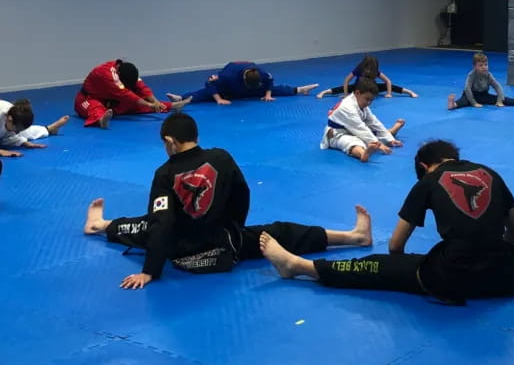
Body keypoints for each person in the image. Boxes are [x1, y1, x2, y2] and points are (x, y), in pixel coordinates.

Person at [260, 139, 514, 304]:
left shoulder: (427, 181)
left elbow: (396, 245)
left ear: (425, 166)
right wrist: (495, 255)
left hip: (449, 278)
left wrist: (401, 271)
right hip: (507, 277)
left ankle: (299, 266)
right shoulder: (490, 173)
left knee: (376, 266)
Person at [82, 111, 372, 289]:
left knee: (142, 225)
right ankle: (353, 236)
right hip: (225, 244)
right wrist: (234, 228)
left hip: (183, 251)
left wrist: (149, 272)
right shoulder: (221, 157)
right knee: (281, 232)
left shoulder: (165, 173)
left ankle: (99, 225)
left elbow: (162, 223)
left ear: (170, 142)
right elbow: (242, 195)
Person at [75, 59, 189, 128]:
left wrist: (155, 101)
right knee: (95, 107)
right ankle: (101, 120)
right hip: (87, 99)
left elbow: (141, 87)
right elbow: (126, 94)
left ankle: (172, 105)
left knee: (135, 105)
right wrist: (149, 105)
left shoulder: (127, 70)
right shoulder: (107, 74)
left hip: (112, 102)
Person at [321, 77, 405, 162]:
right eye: (367, 99)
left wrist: (390, 139)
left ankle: (390, 133)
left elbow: (373, 122)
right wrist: (378, 144)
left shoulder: (360, 102)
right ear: (357, 93)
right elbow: (360, 128)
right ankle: (363, 154)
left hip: (353, 129)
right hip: (337, 134)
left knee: (373, 133)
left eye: (371, 100)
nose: (369, 103)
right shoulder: (347, 107)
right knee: (352, 142)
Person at [181, 61, 318, 105]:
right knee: (207, 94)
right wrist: (219, 99)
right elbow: (209, 83)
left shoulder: (261, 73)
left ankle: (299, 90)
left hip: (249, 88)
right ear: (244, 79)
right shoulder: (228, 75)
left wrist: (268, 94)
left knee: (275, 89)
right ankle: (182, 98)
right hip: (230, 89)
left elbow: (270, 80)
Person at [447, 52, 514, 110]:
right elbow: (467, 89)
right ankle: (453, 104)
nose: (484, 67)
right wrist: (474, 103)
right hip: (469, 95)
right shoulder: (471, 75)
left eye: (486, 64)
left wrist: (499, 100)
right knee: (464, 102)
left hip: (483, 95)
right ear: (475, 66)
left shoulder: (488, 75)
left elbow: (497, 87)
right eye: (480, 65)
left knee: (505, 99)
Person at [316, 54, 418, 99]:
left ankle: (409, 92)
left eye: (371, 68)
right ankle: (324, 92)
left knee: (385, 86)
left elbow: (388, 81)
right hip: (358, 88)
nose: (369, 71)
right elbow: (347, 80)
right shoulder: (358, 70)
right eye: (367, 68)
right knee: (343, 88)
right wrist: (346, 94)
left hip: (372, 88)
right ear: (363, 66)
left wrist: (389, 93)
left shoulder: (375, 71)